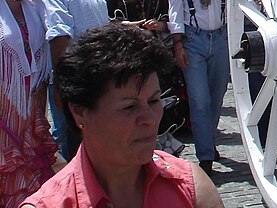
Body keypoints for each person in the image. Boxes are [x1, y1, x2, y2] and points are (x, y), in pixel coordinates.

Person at [20, 23, 222, 208]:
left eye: (153, 101)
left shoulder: (191, 188)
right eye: (129, 107)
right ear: (79, 112)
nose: (150, 119)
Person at [29, 0, 109, 161]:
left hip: (77, 75)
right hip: (100, 70)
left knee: (71, 139)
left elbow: (59, 35)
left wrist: (61, 80)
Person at [167, 0, 229, 176]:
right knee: (199, 99)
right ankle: (205, 156)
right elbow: (174, 10)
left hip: (222, 37)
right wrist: (178, 44)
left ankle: (208, 140)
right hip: (193, 39)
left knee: (216, 96)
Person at [0, 0, 57, 206]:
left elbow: (39, 51)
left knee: (30, 155)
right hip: (5, 98)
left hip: (30, 96)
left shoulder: (32, 9)